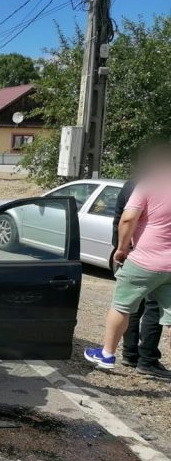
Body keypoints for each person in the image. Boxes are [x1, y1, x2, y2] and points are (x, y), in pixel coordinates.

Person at [85, 143, 171, 376]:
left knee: (122, 306)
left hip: (144, 260)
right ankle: (145, 360)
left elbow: (127, 219)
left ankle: (107, 354)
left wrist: (122, 249)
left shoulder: (147, 184)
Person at [113, 168, 166, 378]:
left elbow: (119, 218)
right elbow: (126, 218)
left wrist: (120, 248)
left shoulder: (132, 183)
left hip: (130, 253)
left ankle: (129, 354)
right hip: (154, 258)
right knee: (154, 308)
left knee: (128, 306)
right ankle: (147, 360)